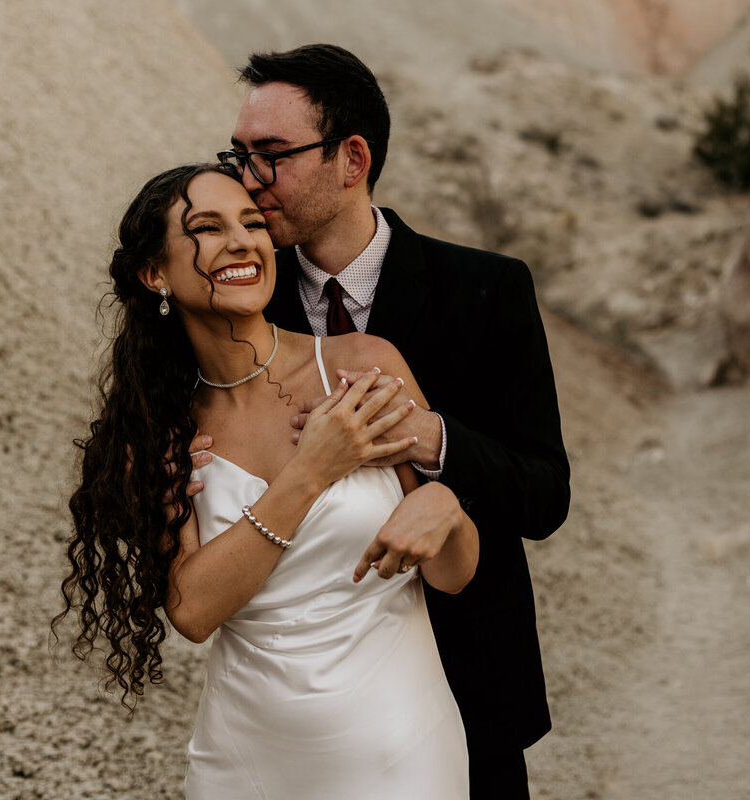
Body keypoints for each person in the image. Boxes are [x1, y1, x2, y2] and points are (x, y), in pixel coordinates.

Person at [199, 44, 571, 799]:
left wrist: (431, 441)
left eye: (270, 155)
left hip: (469, 691)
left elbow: (545, 496)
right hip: (302, 713)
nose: (247, 180)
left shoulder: (488, 290)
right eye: (239, 155)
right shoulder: (236, 308)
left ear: (352, 157)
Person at [54, 162, 479, 799]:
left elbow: (452, 574)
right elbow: (194, 611)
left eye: (252, 222)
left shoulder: (362, 367)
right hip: (244, 761)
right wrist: (312, 470)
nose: (241, 241)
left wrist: (446, 505)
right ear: (154, 274)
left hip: (397, 747)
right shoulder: (162, 432)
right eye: (206, 227)